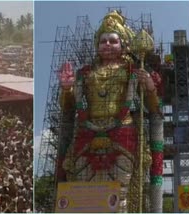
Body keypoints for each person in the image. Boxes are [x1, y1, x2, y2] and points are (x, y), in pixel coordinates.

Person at [58, 10, 162, 212]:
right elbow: (68, 107)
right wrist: (66, 89)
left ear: (123, 44)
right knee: (84, 188)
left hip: (122, 132)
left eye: (113, 41)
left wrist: (149, 86)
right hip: (87, 132)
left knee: (119, 190)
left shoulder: (132, 71)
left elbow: (153, 107)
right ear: (97, 45)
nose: (107, 44)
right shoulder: (85, 73)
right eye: (103, 41)